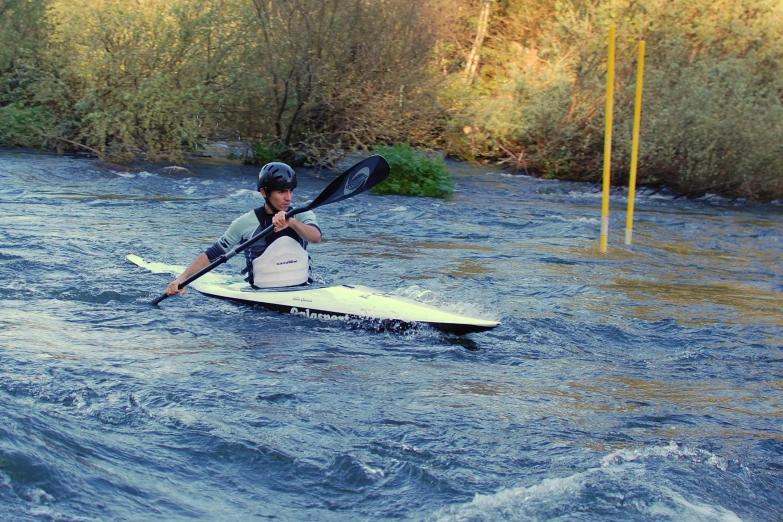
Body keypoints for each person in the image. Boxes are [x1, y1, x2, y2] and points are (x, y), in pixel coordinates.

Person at [166, 162, 322, 296]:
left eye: (291, 191)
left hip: (303, 290)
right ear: (264, 193)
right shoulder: (246, 222)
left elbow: (316, 237)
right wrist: (181, 279)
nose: (288, 197)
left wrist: (292, 223)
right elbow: (212, 254)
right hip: (261, 295)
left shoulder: (302, 214)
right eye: (281, 192)